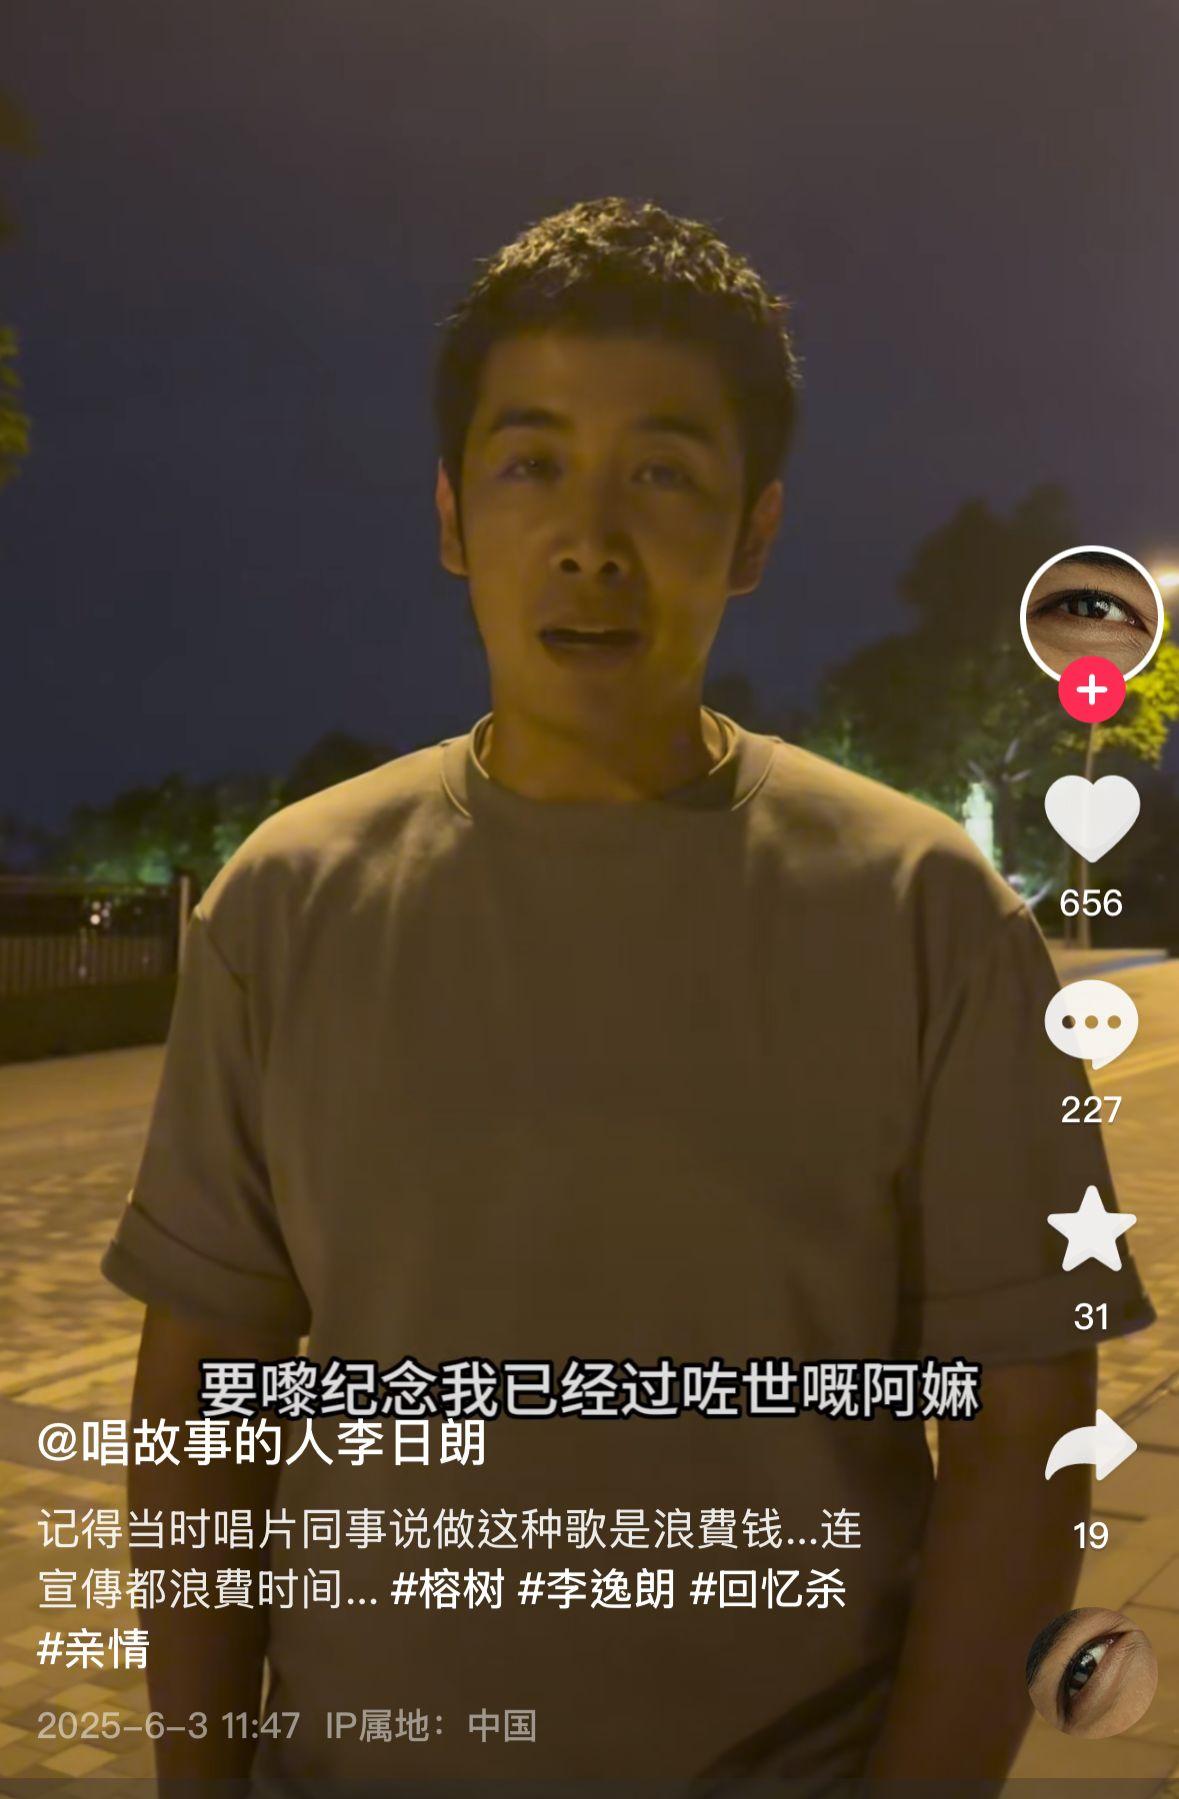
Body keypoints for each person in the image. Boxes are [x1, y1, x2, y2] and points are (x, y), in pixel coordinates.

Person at [101, 195, 1155, 1797]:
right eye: (531, 465)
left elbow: (1022, 1429)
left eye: (662, 474)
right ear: (452, 514)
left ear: (754, 533)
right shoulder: (286, 904)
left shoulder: (928, 913)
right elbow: (202, 1406)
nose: (591, 538)